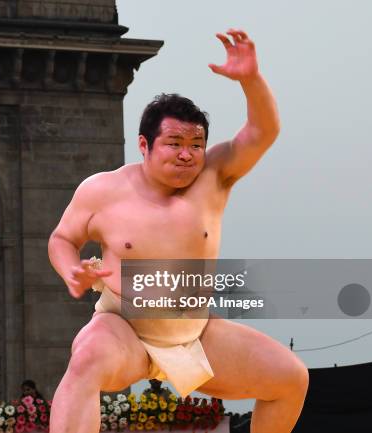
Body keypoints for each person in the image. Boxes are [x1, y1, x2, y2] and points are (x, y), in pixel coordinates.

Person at [48, 29, 308, 433]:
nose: (187, 154)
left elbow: (262, 132)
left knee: (290, 379)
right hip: (125, 327)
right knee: (84, 360)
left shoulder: (215, 176)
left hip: (194, 330)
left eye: (196, 143)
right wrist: (70, 269)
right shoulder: (102, 190)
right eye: (174, 143)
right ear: (144, 145)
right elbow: (63, 238)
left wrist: (251, 80)